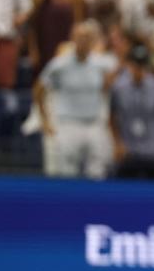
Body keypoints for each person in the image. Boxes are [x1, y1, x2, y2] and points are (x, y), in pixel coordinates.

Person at [34, 20, 112, 179]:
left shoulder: (101, 64)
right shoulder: (59, 65)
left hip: (93, 123)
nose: (83, 41)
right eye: (80, 37)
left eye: (87, 37)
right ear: (72, 39)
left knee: (97, 170)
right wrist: (44, 119)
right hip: (68, 123)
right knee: (67, 171)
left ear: (92, 41)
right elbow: (39, 89)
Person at [109, 44, 154, 179]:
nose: (139, 68)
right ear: (129, 64)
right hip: (128, 150)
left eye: (142, 64)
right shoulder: (118, 87)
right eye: (135, 64)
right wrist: (117, 144)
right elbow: (112, 117)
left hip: (152, 149)